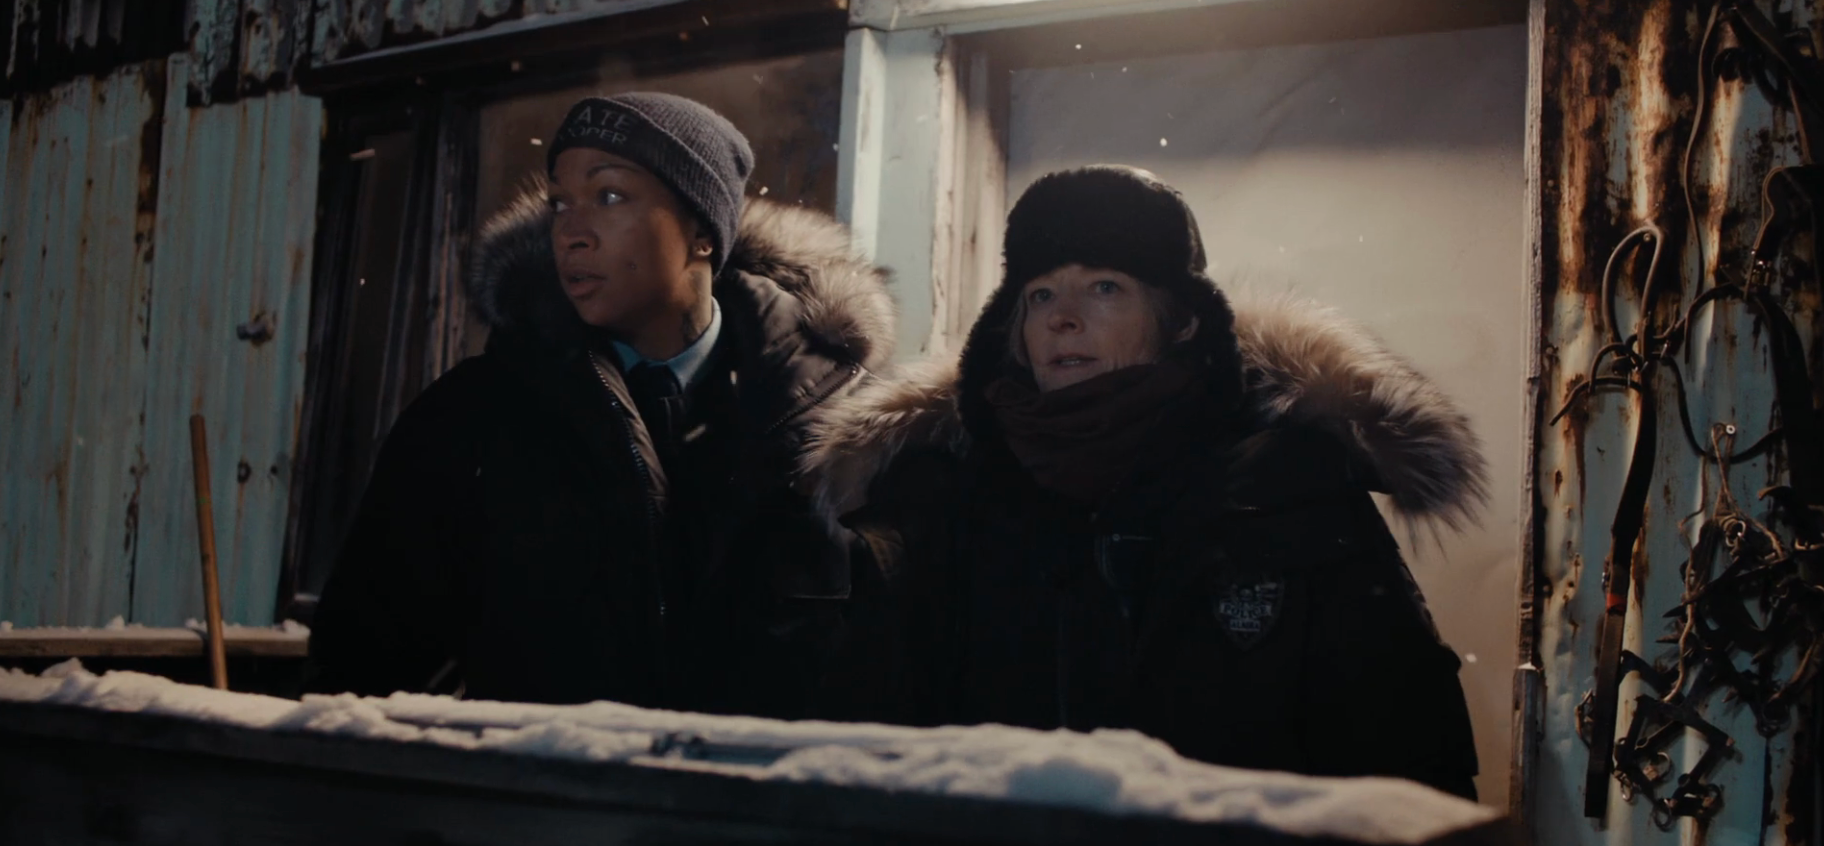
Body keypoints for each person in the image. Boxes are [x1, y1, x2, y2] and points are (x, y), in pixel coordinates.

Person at [808, 165, 1484, 798]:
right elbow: (873, 742)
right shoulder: (945, 496)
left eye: (1104, 287)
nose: (1060, 317)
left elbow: (1406, 747)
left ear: (1180, 321)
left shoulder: (1289, 484)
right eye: (1040, 293)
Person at [307, 93, 895, 718]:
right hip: (548, 807)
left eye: (609, 196)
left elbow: (894, 674)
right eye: (560, 202)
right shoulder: (470, 420)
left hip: (760, 811)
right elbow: (360, 680)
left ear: (701, 231)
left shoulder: (849, 427)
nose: (571, 231)